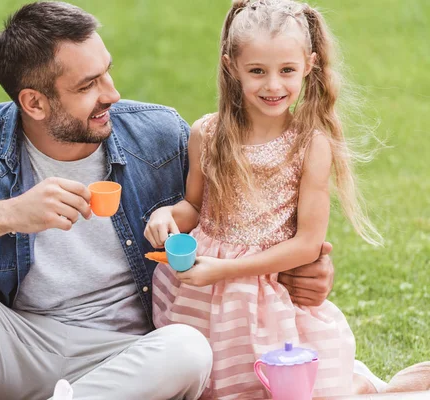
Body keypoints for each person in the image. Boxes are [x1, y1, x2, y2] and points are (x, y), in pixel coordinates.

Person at [0, 1, 375, 400]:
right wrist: (10, 213)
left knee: (190, 350)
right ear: (33, 101)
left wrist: (307, 273)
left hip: (128, 355)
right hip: (18, 342)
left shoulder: (159, 134)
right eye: (89, 84)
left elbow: (233, 216)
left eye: (108, 70)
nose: (113, 93)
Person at [146, 0, 382, 398]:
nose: (273, 86)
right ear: (230, 66)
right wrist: (165, 215)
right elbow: (193, 208)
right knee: (211, 382)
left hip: (267, 295)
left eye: (286, 70)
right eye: (257, 71)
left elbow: (307, 244)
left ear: (308, 65)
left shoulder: (311, 144)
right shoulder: (207, 133)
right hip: (201, 292)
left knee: (271, 383)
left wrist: (222, 270)